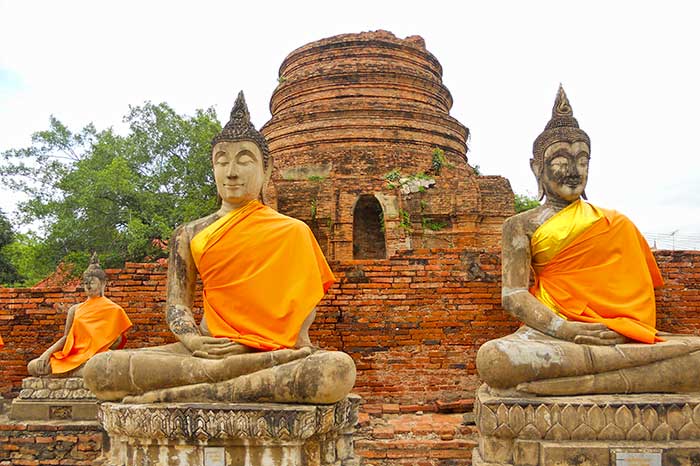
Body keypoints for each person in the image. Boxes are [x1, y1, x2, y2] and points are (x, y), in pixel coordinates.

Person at [84, 92, 355, 404]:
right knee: (101, 370)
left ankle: (207, 386)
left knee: (334, 371)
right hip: (206, 351)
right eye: (221, 161)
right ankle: (233, 383)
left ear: (266, 170)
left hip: (272, 351)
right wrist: (193, 341)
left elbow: (300, 322)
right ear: (212, 168)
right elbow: (177, 305)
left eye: (244, 160)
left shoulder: (293, 231)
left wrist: (273, 346)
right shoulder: (189, 233)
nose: (232, 172)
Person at [476, 85, 700, 396]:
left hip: (614, 335)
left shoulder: (614, 223)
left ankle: (582, 383)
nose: (574, 170)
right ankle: (602, 380)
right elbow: (513, 295)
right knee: (496, 360)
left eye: (582, 159)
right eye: (561, 159)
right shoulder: (520, 225)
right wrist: (564, 328)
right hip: (549, 335)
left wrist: (616, 329)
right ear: (536, 167)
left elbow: (635, 302)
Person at [27, 254, 132, 377]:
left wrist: (97, 349)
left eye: (92, 282)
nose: (87, 286)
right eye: (85, 283)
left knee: (102, 366)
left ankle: (74, 372)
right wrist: (46, 354)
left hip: (96, 357)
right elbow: (66, 337)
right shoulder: (75, 309)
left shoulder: (114, 309)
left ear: (103, 284)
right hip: (73, 356)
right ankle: (75, 371)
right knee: (33, 366)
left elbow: (117, 342)